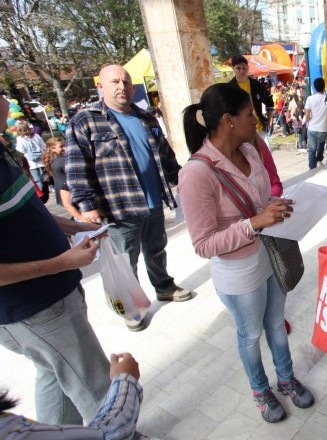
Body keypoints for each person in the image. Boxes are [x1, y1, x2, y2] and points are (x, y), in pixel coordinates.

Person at [178, 83, 314, 424]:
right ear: (228, 120)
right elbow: (203, 244)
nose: (257, 118)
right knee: (250, 333)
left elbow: (258, 202)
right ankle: (259, 389)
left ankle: (286, 378)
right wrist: (254, 223)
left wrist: (274, 207)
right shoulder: (196, 173)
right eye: (249, 114)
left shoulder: (252, 150)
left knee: (276, 326)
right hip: (238, 273)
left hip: (269, 256)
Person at [0, 91, 112, 426]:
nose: (5, 99)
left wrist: (77, 225)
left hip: (49, 304)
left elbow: (28, 211)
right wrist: (63, 262)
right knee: (96, 387)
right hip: (36, 309)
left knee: (55, 378)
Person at [66, 65, 192, 332]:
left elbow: (166, 156)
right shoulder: (86, 120)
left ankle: (164, 287)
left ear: (133, 87)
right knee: (126, 261)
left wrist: (183, 181)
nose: (121, 86)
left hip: (153, 202)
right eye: (114, 81)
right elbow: (77, 167)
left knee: (156, 249)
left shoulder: (146, 117)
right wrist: (87, 206)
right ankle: (130, 306)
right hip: (119, 208)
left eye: (126, 81)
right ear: (100, 87)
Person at [0, 353, 144, 439]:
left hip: (15, 318)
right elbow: (111, 435)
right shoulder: (8, 431)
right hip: (43, 311)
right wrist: (125, 380)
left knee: (50, 367)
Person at [229, 55, 275, 134]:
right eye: (238, 68)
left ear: (248, 68)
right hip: (240, 132)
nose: (241, 71)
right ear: (233, 68)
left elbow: (269, 101)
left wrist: (269, 121)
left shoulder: (256, 85)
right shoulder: (229, 88)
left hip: (259, 129)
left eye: (244, 68)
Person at [14, 123, 47, 197]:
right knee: (46, 174)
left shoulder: (20, 139)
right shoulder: (36, 136)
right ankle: (50, 186)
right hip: (42, 158)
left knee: (36, 177)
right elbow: (44, 146)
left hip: (31, 161)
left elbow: (20, 150)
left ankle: (42, 192)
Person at [304, 78, 327, 170]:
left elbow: (307, 115)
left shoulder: (310, 98)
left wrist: (308, 120)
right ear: (324, 87)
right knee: (321, 144)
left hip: (312, 128)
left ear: (314, 87)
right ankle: (319, 160)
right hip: (323, 128)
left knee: (312, 149)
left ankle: (312, 168)